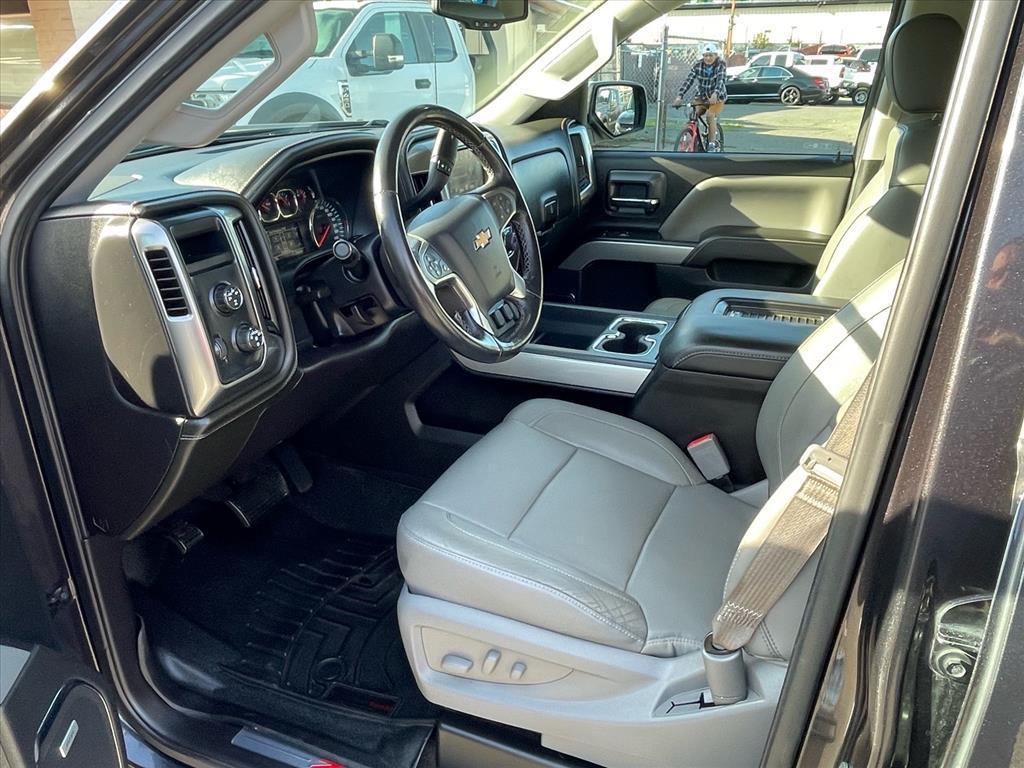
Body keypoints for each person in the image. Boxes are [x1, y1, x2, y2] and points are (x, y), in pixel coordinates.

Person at [672, 43, 727, 152]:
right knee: (693, 115)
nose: (708, 58)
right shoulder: (698, 65)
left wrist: (715, 94)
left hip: (718, 97)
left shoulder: (720, 64)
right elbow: (689, 80)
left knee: (710, 116)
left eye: (711, 55)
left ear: (715, 56)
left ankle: (711, 144)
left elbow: (721, 80)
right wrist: (679, 96)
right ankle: (693, 136)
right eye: (705, 55)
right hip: (702, 96)